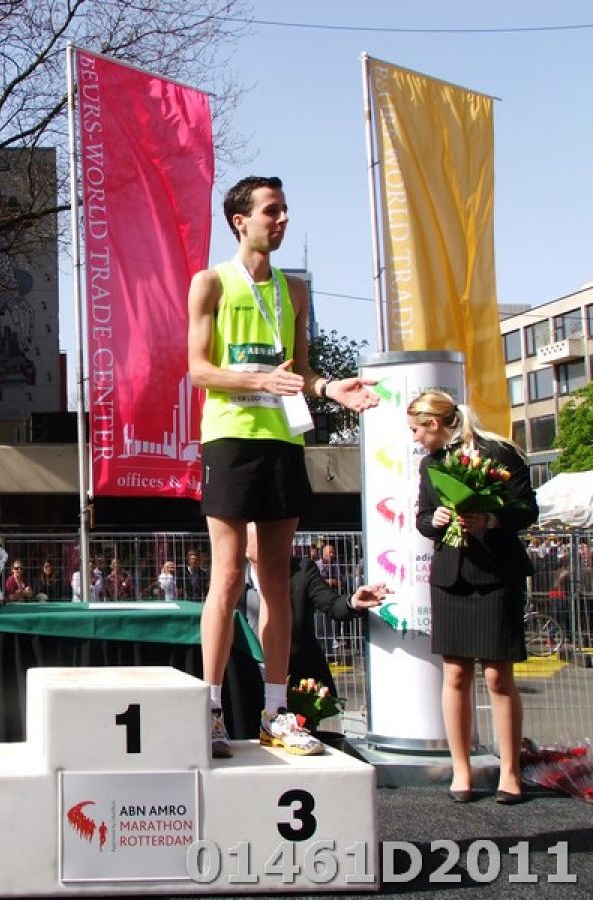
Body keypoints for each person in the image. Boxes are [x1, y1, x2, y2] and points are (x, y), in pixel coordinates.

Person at [186, 175, 379, 758]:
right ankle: (211, 713)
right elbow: (198, 369)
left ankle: (276, 713)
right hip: (231, 439)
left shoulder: (293, 290)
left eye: (285, 209)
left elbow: (302, 371)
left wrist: (330, 388)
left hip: (283, 441)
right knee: (226, 577)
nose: (283, 219)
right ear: (240, 220)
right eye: (272, 210)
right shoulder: (211, 282)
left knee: (277, 579)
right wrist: (259, 381)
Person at [408, 390, 538, 804]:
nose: (415, 439)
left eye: (416, 430)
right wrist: (434, 519)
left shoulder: (501, 452)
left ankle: (510, 773)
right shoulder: (431, 464)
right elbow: (421, 518)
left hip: (497, 575)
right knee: (456, 674)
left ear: (434, 423)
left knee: (498, 675)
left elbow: (527, 510)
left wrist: (492, 518)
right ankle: (461, 771)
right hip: (453, 576)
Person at [237, 523, 387, 694]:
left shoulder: (302, 570)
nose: (271, 541)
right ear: (245, 547)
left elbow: (331, 603)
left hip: (299, 679)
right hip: (251, 680)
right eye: (262, 536)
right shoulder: (234, 581)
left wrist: (352, 601)